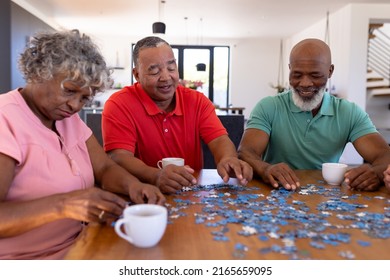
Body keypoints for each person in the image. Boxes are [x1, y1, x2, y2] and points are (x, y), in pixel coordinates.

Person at [0, 29, 165, 260]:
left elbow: (104, 168)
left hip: (83, 246)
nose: (75, 105)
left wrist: (133, 186)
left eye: (85, 98)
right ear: (39, 73)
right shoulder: (5, 119)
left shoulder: (68, 119)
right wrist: (64, 205)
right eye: (69, 91)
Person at [102, 36, 252, 194]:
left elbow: (219, 139)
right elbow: (118, 157)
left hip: (190, 193)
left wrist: (227, 158)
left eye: (171, 68)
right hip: (140, 194)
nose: (166, 77)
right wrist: (155, 175)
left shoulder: (197, 101)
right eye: (154, 71)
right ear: (137, 74)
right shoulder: (119, 104)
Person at [238, 38, 390, 192]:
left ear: (330, 71)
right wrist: (265, 169)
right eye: (297, 75)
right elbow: (245, 152)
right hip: (275, 192)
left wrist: (376, 173)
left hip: (327, 195)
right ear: (289, 69)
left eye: (315, 75)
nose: (305, 83)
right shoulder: (268, 106)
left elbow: (384, 155)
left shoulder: (349, 112)